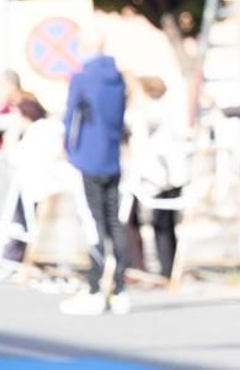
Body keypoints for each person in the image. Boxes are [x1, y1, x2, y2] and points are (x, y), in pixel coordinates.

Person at [61, 22, 130, 316]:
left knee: (93, 222)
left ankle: (94, 288)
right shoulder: (118, 78)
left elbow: (70, 118)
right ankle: (119, 287)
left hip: (87, 156)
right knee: (114, 221)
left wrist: (69, 150)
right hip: (112, 156)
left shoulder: (82, 78)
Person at [127, 76, 190, 280]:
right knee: (167, 224)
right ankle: (168, 268)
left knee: (159, 223)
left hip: (157, 175)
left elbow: (143, 142)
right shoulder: (172, 109)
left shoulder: (146, 113)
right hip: (172, 173)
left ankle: (161, 270)